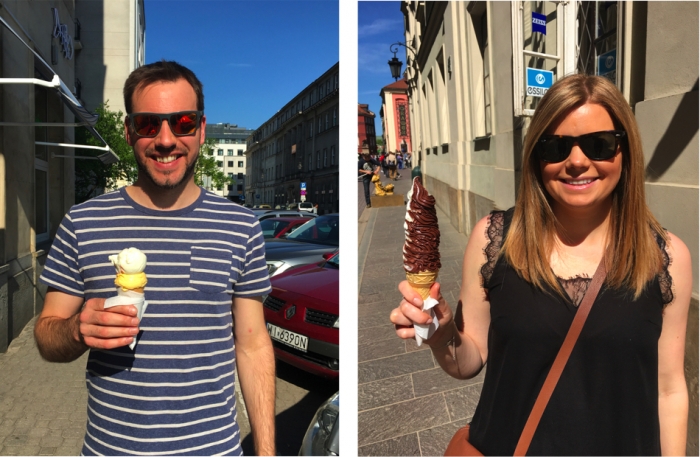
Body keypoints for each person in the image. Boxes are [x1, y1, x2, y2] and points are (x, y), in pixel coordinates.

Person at [390, 74, 691, 455]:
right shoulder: (493, 240)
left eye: (599, 145)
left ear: (625, 151)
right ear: (536, 155)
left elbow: (669, 390)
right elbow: (469, 360)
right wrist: (440, 335)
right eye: (557, 147)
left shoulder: (667, 257)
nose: (577, 162)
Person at [34, 61, 276, 456]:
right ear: (130, 131)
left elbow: (252, 346)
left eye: (182, 121)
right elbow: (46, 335)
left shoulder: (241, 226)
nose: (166, 140)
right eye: (149, 124)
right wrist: (77, 329)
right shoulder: (83, 222)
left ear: (200, 129)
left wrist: (266, 453)